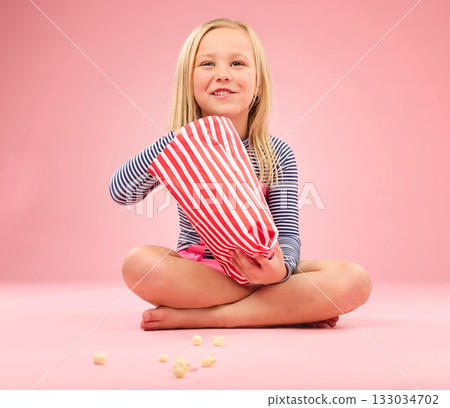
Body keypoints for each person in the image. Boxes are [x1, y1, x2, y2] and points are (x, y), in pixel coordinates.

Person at [109, 18, 372, 330]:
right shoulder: (180, 147)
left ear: (258, 84)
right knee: (138, 264)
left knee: (354, 280)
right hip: (199, 272)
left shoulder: (276, 154)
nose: (223, 74)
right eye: (207, 63)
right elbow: (123, 192)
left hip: (263, 268)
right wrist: (177, 138)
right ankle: (281, 308)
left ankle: (213, 317)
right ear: (188, 83)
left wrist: (279, 271)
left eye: (237, 63)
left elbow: (287, 235)